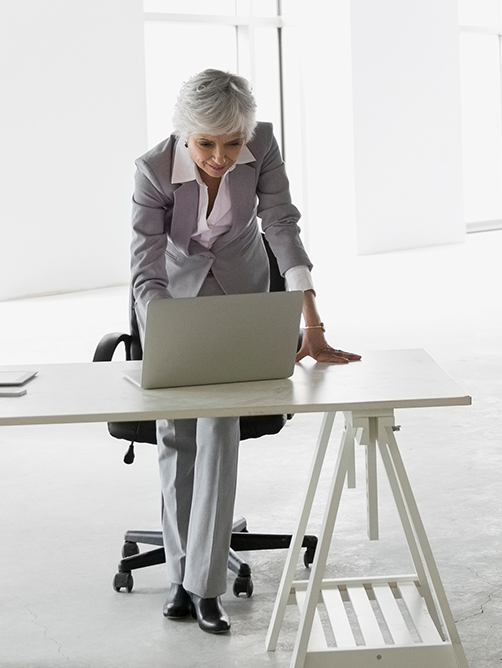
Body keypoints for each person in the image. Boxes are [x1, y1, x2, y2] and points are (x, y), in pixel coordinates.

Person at [130, 69, 359, 634]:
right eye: (206, 143)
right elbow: (145, 264)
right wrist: (163, 331)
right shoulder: (153, 169)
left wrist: (312, 322)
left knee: (219, 432)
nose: (220, 156)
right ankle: (180, 578)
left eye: (232, 143)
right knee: (176, 435)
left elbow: (281, 227)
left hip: (243, 294)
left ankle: (204, 588)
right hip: (175, 300)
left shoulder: (260, 144)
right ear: (184, 133)